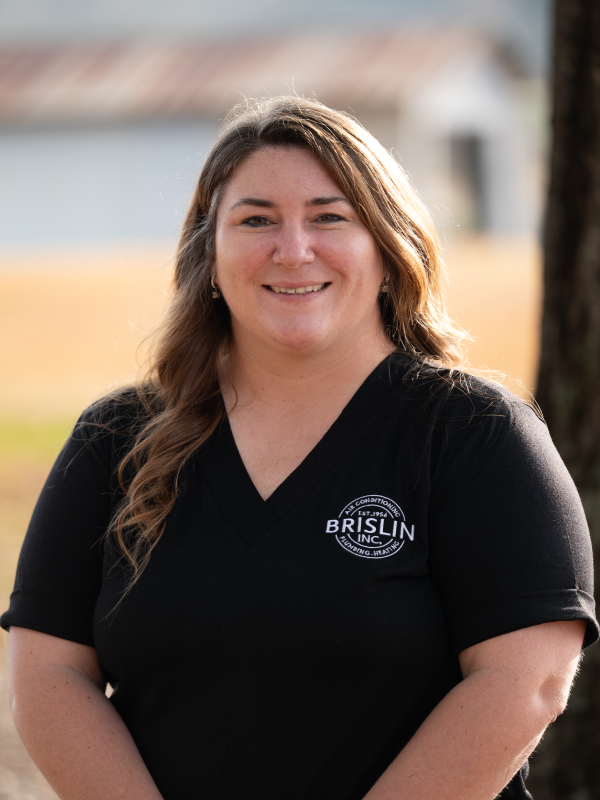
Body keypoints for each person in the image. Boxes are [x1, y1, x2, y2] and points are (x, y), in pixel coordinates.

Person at [2, 96, 598, 800]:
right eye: (255, 220)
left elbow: (527, 682)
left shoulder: (473, 434)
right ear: (209, 254)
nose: (293, 249)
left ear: (387, 244)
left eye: (329, 217)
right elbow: (48, 673)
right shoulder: (115, 440)